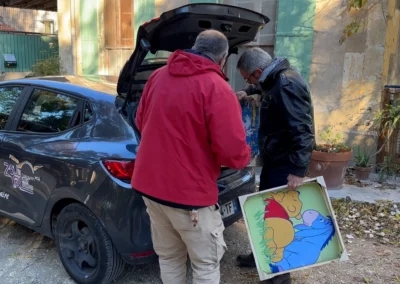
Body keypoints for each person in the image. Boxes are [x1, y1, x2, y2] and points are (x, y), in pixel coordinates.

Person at [131, 30, 251, 284]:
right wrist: (244, 158)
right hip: (190, 198)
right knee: (205, 264)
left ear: (194, 47)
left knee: (169, 257)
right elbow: (232, 152)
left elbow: (140, 122)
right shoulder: (217, 88)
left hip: (150, 189)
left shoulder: (157, 76)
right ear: (222, 58)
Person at [235, 48, 316, 284]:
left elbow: (303, 130)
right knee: (265, 209)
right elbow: (263, 87)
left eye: (248, 78)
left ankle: (279, 278)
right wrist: (248, 90)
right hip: (275, 158)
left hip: (286, 163)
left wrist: (298, 171)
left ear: (258, 71)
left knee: (278, 217)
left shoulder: (286, 84)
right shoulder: (274, 77)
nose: (249, 82)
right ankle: (261, 255)